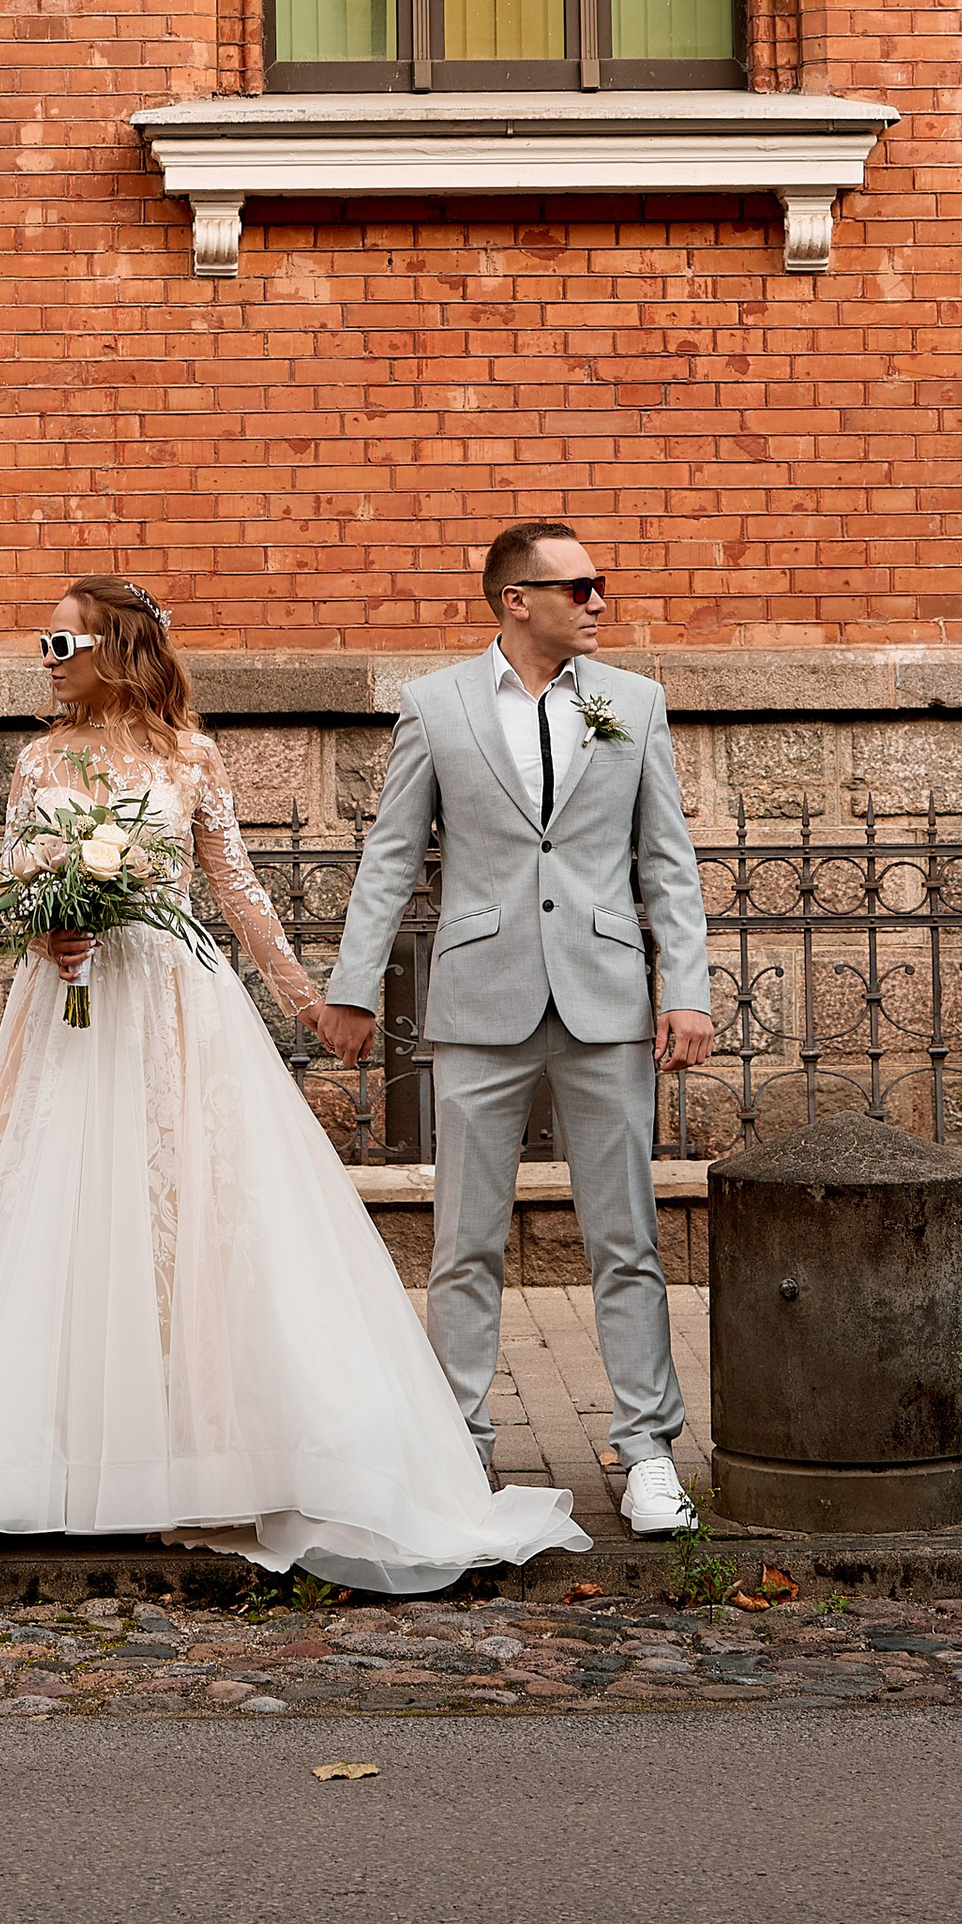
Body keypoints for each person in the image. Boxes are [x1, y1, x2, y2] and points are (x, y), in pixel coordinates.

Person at [0, 574, 586, 1593]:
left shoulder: (190, 757)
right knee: (59, 1211)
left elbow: (235, 887)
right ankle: (35, 1463)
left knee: (194, 1214)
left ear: (116, 648)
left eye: (60, 641)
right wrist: (48, 918)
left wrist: (309, 999)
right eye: (43, 641)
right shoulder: (36, 762)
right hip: (70, 1002)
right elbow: (18, 874)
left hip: (169, 997)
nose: (45, 658)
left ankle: (205, 1453)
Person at [315, 520, 714, 1539]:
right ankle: (458, 1444)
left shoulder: (626, 703)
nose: (596, 600)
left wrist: (689, 989)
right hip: (481, 1000)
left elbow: (663, 859)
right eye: (577, 585)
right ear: (515, 598)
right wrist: (354, 987)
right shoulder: (436, 705)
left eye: (599, 583)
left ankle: (647, 1448)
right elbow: (390, 856)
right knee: (464, 1241)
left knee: (624, 1236)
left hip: (606, 998)